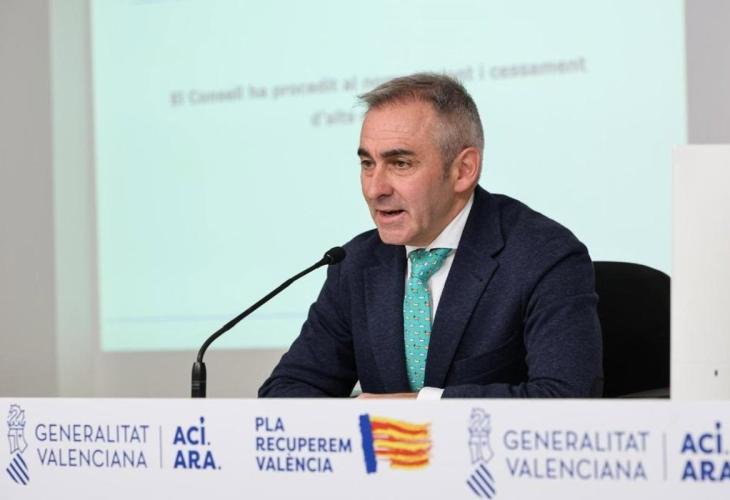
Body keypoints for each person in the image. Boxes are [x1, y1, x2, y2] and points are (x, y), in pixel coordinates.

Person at [259, 73, 602, 399]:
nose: (375, 189)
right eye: (367, 164)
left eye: (400, 163)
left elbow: (566, 398)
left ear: (463, 170)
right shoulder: (355, 263)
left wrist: (421, 407)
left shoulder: (542, 256)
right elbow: (286, 391)